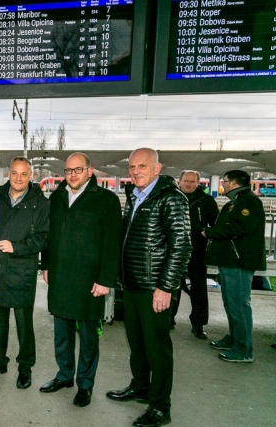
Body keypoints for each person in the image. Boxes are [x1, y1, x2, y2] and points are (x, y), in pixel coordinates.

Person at [106, 148, 190, 427]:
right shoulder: (135, 195)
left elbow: (181, 245)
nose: (136, 171)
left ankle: (160, 407)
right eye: (132, 167)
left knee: (157, 350)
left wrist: (165, 287)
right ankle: (141, 386)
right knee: (137, 344)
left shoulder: (171, 198)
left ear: (157, 168)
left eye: (142, 166)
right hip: (133, 285)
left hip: (154, 288)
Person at [39, 153, 121, 407]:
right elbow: (49, 235)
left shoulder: (106, 200)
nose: (72, 175)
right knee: (61, 333)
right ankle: (65, 376)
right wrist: (46, 265)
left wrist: (105, 279)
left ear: (89, 171)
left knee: (88, 337)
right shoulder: (57, 197)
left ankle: (85, 384)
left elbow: (112, 243)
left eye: (78, 170)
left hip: (89, 281)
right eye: (68, 170)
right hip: (60, 276)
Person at [0, 157, 48, 389]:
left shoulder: (40, 203)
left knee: (24, 323)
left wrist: (16, 247)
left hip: (22, 270)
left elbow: (43, 238)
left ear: (31, 176)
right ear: (9, 173)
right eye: (15, 173)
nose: (18, 178)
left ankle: (25, 366)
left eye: (24, 174)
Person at [204, 170, 265, 363]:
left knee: (239, 305)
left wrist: (211, 232)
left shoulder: (248, 201)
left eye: (225, 181)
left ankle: (243, 349)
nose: (223, 184)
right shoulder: (236, 201)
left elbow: (243, 227)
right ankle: (234, 338)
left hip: (239, 261)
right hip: (230, 260)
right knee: (231, 303)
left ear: (234, 183)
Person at [171, 170, 219, 339]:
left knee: (199, 288)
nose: (189, 184)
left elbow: (216, 224)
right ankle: (168, 318)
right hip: (173, 250)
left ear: (198, 183)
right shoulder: (171, 198)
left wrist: (207, 233)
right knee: (171, 286)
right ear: (179, 181)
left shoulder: (207, 201)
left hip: (197, 250)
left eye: (193, 181)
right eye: (186, 181)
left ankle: (198, 324)